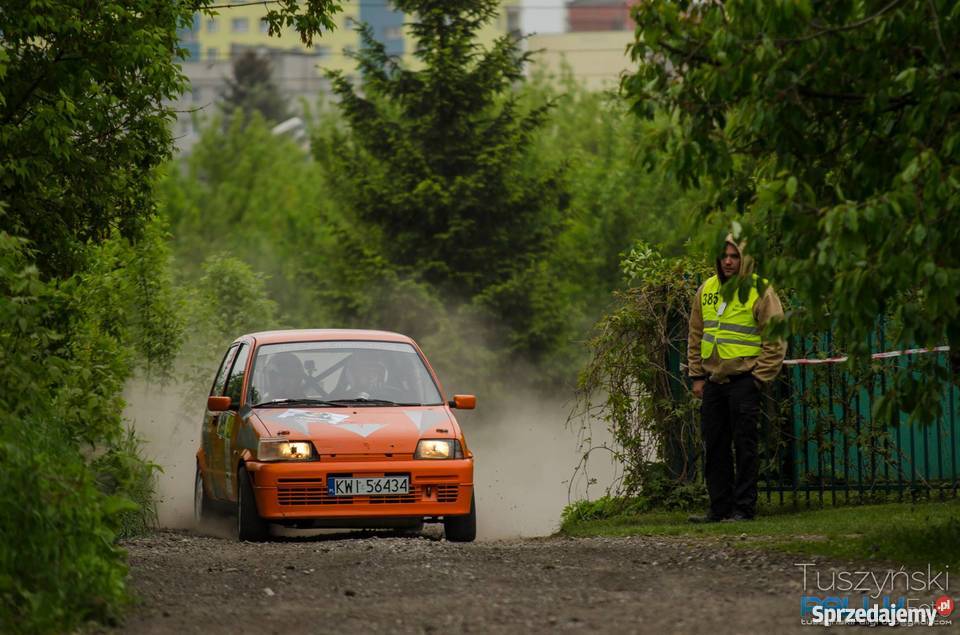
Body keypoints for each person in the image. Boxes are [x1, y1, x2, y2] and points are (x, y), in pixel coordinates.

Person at [687, 236, 786, 522]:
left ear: (745, 259)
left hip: (745, 380)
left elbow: (776, 339)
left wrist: (758, 379)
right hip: (712, 382)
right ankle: (719, 508)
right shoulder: (706, 289)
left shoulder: (760, 290)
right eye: (724, 256)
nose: (728, 261)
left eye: (734, 256)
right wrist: (697, 376)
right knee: (715, 446)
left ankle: (743, 508)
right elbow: (695, 334)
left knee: (745, 447)